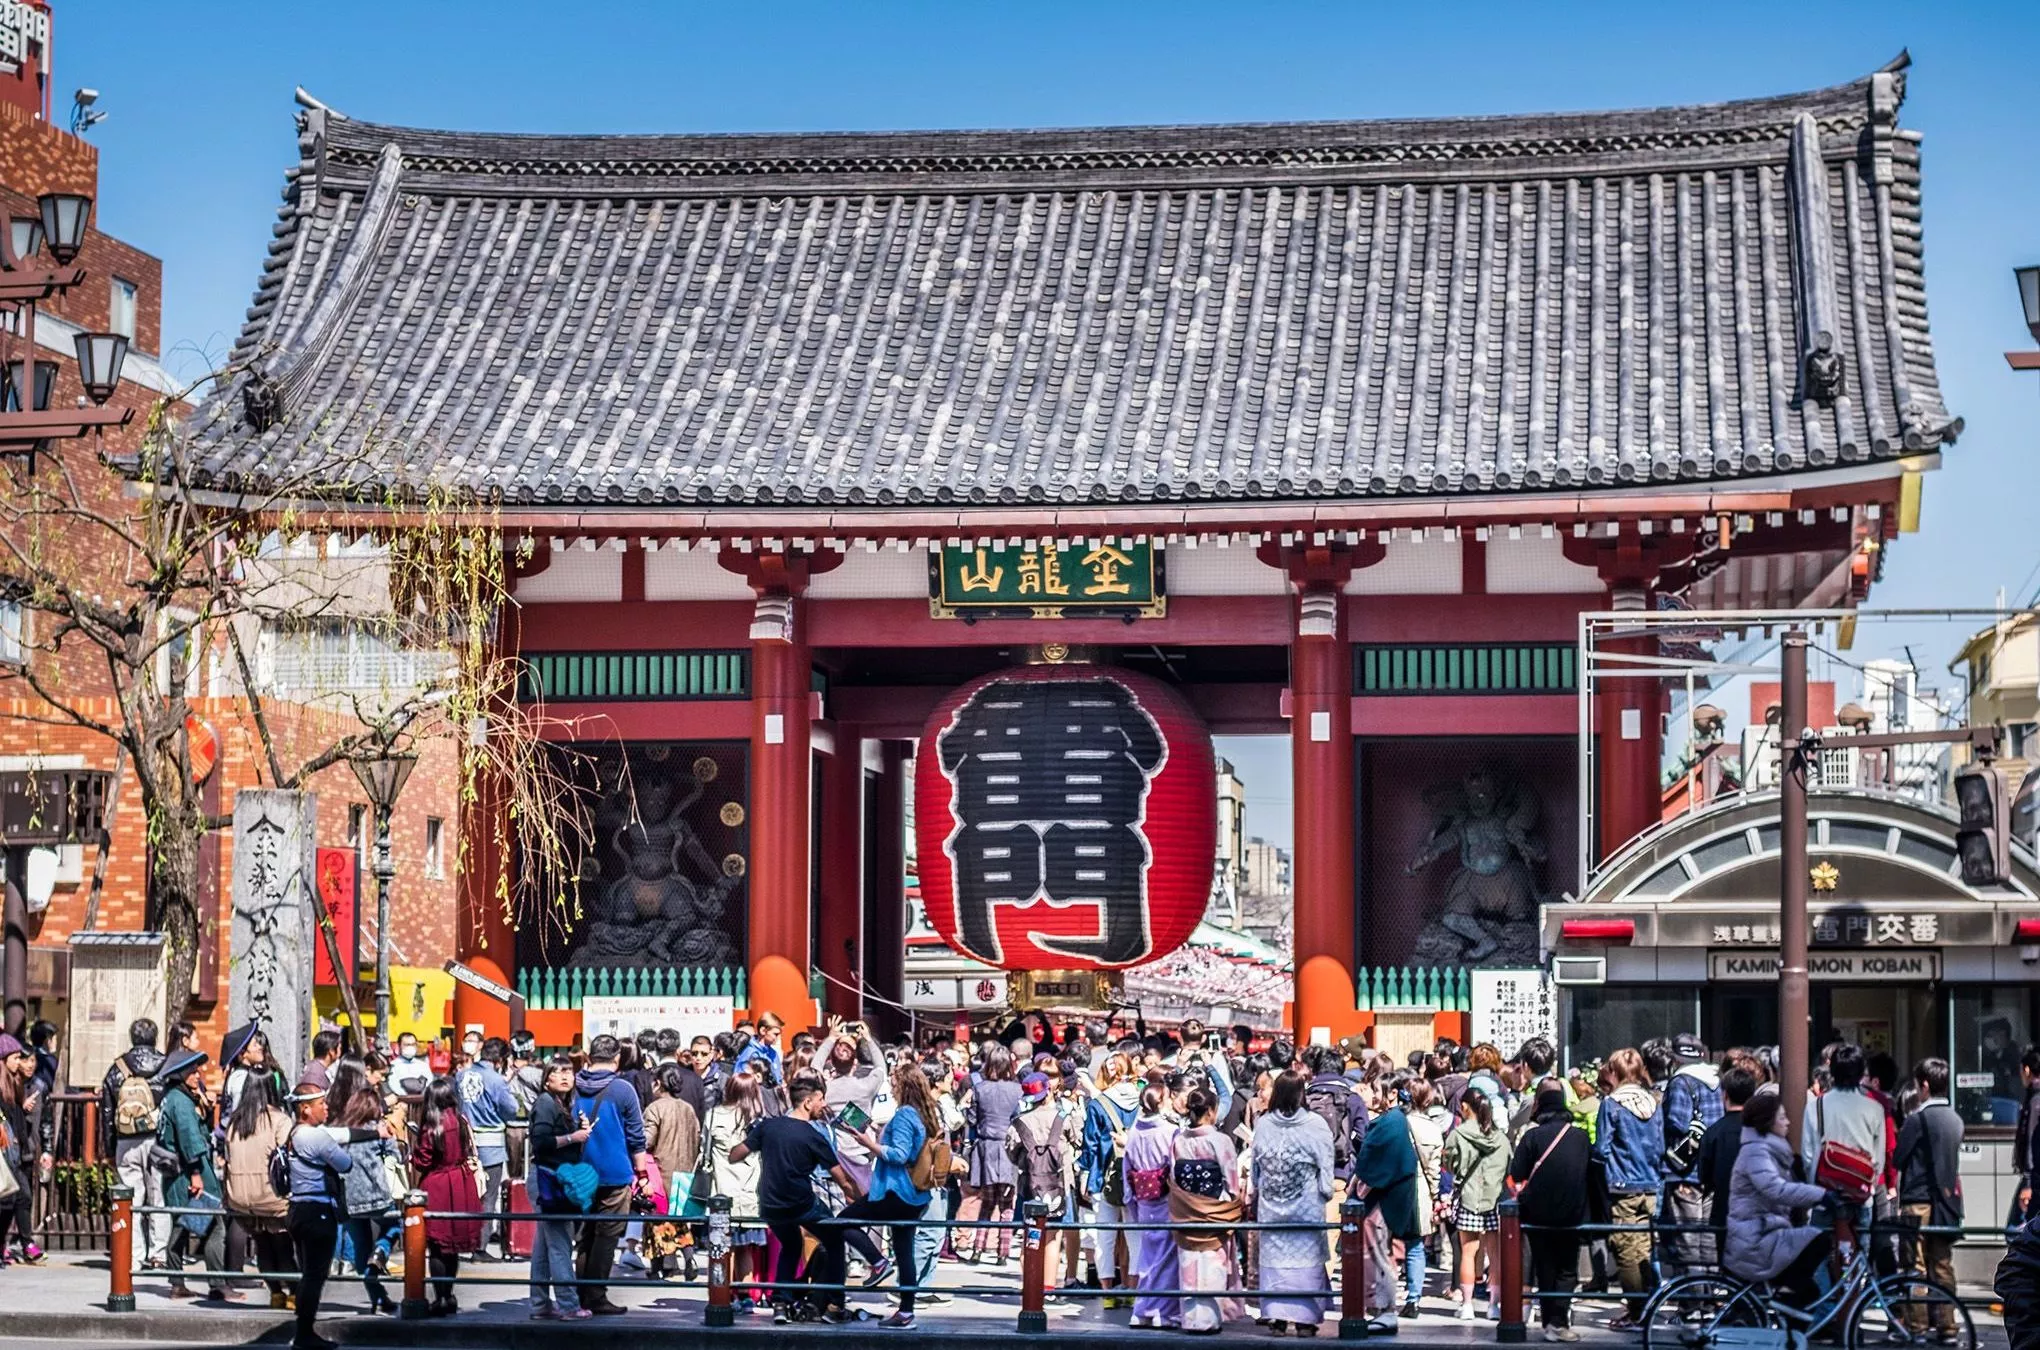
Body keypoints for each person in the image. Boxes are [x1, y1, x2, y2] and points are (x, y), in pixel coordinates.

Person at [729, 1077, 865, 1323]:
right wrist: (862, 1199)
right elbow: (842, 1179)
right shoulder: (814, 1136)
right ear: (807, 1102)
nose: (823, 1105)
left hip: (770, 1204)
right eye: (821, 1099)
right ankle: (835, 1304)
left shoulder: (768, 1127)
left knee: (791, 1245)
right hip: (801, 1203)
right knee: (834, 1241)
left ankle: (781, 1302)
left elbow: (735, 1154)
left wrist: (745, 1142)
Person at [838, 1060, 940, 1329]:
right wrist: (873, 1130)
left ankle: (878, 1261)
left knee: (843, 1221)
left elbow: (899, 1154)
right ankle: (906, 1311)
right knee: (904, 1251)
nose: (891, 1088)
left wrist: (868, 1143)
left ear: (904, 1086)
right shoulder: (924, 1112)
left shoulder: (906, 1113)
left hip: (896, 1191)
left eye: (894, 1083)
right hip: (915, 1195)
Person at [1723, 1091, 1830, 1313]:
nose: (1788, 1122)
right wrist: (1820, 1195)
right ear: (1768, 1122)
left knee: (1806, 1293)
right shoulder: (1757, 1150)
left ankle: (1789, 1323)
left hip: (1762, 1234)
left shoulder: (1764, 1148)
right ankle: (1785, 1296)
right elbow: (1775, 1188)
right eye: (1782, 1117)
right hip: (1756, 1239)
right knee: (1820, 1240)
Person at [1251, 1068, 1335, 1336]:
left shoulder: (1264, 1124)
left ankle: (1276, 1317)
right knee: (1306, 1263)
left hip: (1272, 1205)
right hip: (1306, 1207)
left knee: (1274, 1262)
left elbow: (1255, 1170)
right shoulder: (1316, 1125)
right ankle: (1305, 1320)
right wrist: (1325, 1191)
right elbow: (1326, 1168)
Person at [572, 1034, 651, 1315]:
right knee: (606, 1237)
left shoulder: (573, 1085)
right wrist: (642, 1173)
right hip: (615, 1172)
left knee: (585, 1235)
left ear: (590, 1056)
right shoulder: (623, 1090)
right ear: (617, 1058)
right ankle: (596, 1295)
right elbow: (636, 1136)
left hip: (581, 1172)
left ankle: (581, 1294)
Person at [1509, 1084, 1591, 1344]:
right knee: (1568, 1269)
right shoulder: (1579, 1136)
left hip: (1538, 1214)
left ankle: (1549, 1324)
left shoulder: (1532, 1137)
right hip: (1572, 1212)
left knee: (1545, 1266)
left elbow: (1517, 1173)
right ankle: (1559, 1321)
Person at [155, 1047, 233, 1301]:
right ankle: (218, 1284)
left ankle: (177, 1282)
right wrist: (197, 1174)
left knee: (180, 1226)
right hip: (189, 1173)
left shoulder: (172, 1098)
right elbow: (189, 1140)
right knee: (214, 1226)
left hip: (175, 1175)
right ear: (180, 1075)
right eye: (192, 1070)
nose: (196, 1074)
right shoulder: (182, 1102)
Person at [1893, 1057, 1964, 1337]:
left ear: (1923, 1086)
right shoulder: (1955, 1120)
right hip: (1946, 1204)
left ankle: (1917, 1325)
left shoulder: (1916, 1119)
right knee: (1943, 1265)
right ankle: (1948, 1326)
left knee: (1915, 1266)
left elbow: (1899, 1159)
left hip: (1916, 1201)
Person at [1592, 1048, 1662, 1329]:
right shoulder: (1654, 1102)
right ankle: (1645, 1307)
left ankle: (1636, 1311)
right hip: (1652, 1184)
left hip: (1623, 1186)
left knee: (1624, 1250)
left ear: (1616, 1072)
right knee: (1644, 1248)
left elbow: (1602, 1148)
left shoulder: (1612, 1104)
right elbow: (1660, 1145)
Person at [1169, 1084, 1245, 1335]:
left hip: (1186, 1210)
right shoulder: (1220, 1141)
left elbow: (1173, 1176)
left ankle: (1191, 1319)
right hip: (1215, 1210)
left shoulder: (1179, 1141)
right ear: (1211, 1111)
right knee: (1213, 1266)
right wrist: (1233, 1201)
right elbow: (1231, 1182)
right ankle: (1210, 1319)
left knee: (1190, 1267)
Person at [220, 1071, 297, 1309]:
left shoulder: (235, 1121)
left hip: (239, 1196)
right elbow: (289, 1152)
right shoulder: (279, 1119)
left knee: (262, 1243)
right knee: (283, 1245)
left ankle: (275, 1293)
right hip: (270, 1194)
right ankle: (294, 1292)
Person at [330, 1063, 401, 1315]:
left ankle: (378, 1297)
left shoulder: (340, 1131)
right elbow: (396, 1156)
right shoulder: (377, 1130)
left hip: (348, 1198)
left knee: (360, 1248)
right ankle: (381, 1251)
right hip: (377, 1194)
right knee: (393, 1226)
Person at [1353, 1072, 1420, 1333]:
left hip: (1382, 1198)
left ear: (1392, 1093)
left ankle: (1385, 1308)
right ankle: (1380, 1306)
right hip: (1386, 1196)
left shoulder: (1391, 1122)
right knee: (1379, 1254)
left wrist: (1361, 1183)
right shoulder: (1394, 1120)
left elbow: (1375, 1162)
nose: (1371, 1094)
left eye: (1375, 1089)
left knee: (1380, 1255)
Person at [528, 1055, 593, 1320]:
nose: (566, 1076)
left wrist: (580, 1131)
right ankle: (568, 1305)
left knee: (544, 1245)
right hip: (549, 1179)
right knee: (559, 1244)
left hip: (550, 1177)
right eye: (559, 1072)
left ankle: (539, 1304)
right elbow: (540, 1142)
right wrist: (572, 1137)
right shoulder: (546, 1103)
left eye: (569, 1071)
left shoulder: (562, 1103)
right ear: (547, 1078)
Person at [411, 1076, 483, 1316]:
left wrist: (411, 1155)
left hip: (438, 1184)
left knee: (437, 1245)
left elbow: (423, 1161)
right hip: (460, 1182)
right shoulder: (461, 1121)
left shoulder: (432, 1126)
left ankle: (440, 1297)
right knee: (451, 1246)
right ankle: (450, 1295)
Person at [1800, 1044, 1887, 1242]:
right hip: (1860, 1196)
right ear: (1861, 1073)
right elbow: (1878, 1160)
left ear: (1832, 1071)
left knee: (1820, 1255)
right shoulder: (1874, 1109)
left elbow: (1807, 1156)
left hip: (1824, 1195)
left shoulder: (1816, 1106)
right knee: (1859, 1255)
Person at [704, 1069, 769, 1309]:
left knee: (723, 1248)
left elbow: (705, 1151)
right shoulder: (758, 1120)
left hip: (721, 1190)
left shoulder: (713, 1115)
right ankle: (745, 1295)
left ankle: (723, 1295)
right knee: (745, 1249)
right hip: (750, 1192)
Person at [1442, 1085, 1508, 1322]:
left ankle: (1467, 1305)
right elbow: (1508, 1164)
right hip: (1494, 1200)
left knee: (1468, 1252)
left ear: (1466, 1107)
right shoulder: (1500, 1137)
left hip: (1469, 1199)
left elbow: (1449, 1163)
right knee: (1495, 1254)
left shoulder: (1458, 1134)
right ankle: (1494, 1306)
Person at [1081, 1052, 1142, 1309]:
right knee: (1134, 1236)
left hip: (1104, 1176)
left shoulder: (1097, 1105)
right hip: (1136, 1177)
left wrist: (1086, 1176)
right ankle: (1132, 1289)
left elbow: (1090, 1146)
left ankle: (1107, 1293)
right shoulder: (1143, 1101)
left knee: (1104, 1236)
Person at [455, 1037, 518, 1262]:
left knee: (466, 1194)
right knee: (487, 1196)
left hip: (464, 1142)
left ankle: (461, 1240)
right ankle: (479, 1246)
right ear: (501, 1059)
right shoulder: (496, 1080)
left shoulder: (461, 1075)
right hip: (490, 1143)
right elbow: (511, 1109)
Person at [958, 1044, 1022, 1264]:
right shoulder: (1017, 1090)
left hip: (985, 1148)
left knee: (986, 1201)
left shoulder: (980, 1088)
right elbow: (1018, 1119)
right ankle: (1002, 1252)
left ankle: (977, 1248)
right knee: (1006, 1203)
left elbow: (973, 1119)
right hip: (1008, 1148)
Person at [1125, 1084, 1181, 1330]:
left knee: (1148, 1257)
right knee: (1167, 1259)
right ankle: (1161, 1312)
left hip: (1143, 1198)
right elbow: (1176, 1168)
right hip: (1166, 1198)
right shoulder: (1171, 1131)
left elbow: (1127, 1169)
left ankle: (1142, 1310)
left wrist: (1131, 1199)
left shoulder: (1134, 1131)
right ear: (1161, 1102)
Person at [642, 1062, 702, 1279]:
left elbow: (647, 1140)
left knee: (656, 1219)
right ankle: (688, 1257)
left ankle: (659, 1267)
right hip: (685, 1170)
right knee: (678, 1218)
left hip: (660, 1170)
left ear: (658, 1083)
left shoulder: (654, 1108)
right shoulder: (688, 1108)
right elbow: (697, 1137)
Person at [1698, 1063, 1758, 1252]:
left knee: (1728, 1271)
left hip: (1725, 1210)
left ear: (1724, 1095)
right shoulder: (1762, 1130)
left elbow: (1704, 1176)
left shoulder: (1714, 1132)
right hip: (1758, 1211)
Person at [1402, 1077, 1444, 1317]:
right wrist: (1435, 1194)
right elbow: (1434, 1169)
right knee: (1415, 1246)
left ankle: (1381, 1299)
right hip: (1420, 1190)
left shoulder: (1396, 1122)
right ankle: (1413, 1298)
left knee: (1388, 1246)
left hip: (1393, 1189)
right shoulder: (1432, 1128)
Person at [0, 1035, 37, 1269]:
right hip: (5, 1149)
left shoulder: (14, 1082)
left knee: (18, 1196)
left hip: (13, 1149)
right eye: (14, 1058)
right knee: (10, 1198)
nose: (19, 1062)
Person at [2015, 1048, 2040, 1225]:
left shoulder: (2036, 1100)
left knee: (2018, 1229)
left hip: (2034, 1179)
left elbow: (2032, 1140)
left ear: (2026, 1070)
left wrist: (2028, 1183)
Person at [389, 1033, 433, 1099]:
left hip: (422, 1102)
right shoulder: (393, 1066)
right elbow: (393, 1085)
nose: (410, 1047)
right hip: (401, 1103)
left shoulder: (423, 1065)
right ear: (399, 1045)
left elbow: (429, 1082)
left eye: (413, 1044)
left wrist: (420, 1097)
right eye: (407, 1045)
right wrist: (407, 1098)